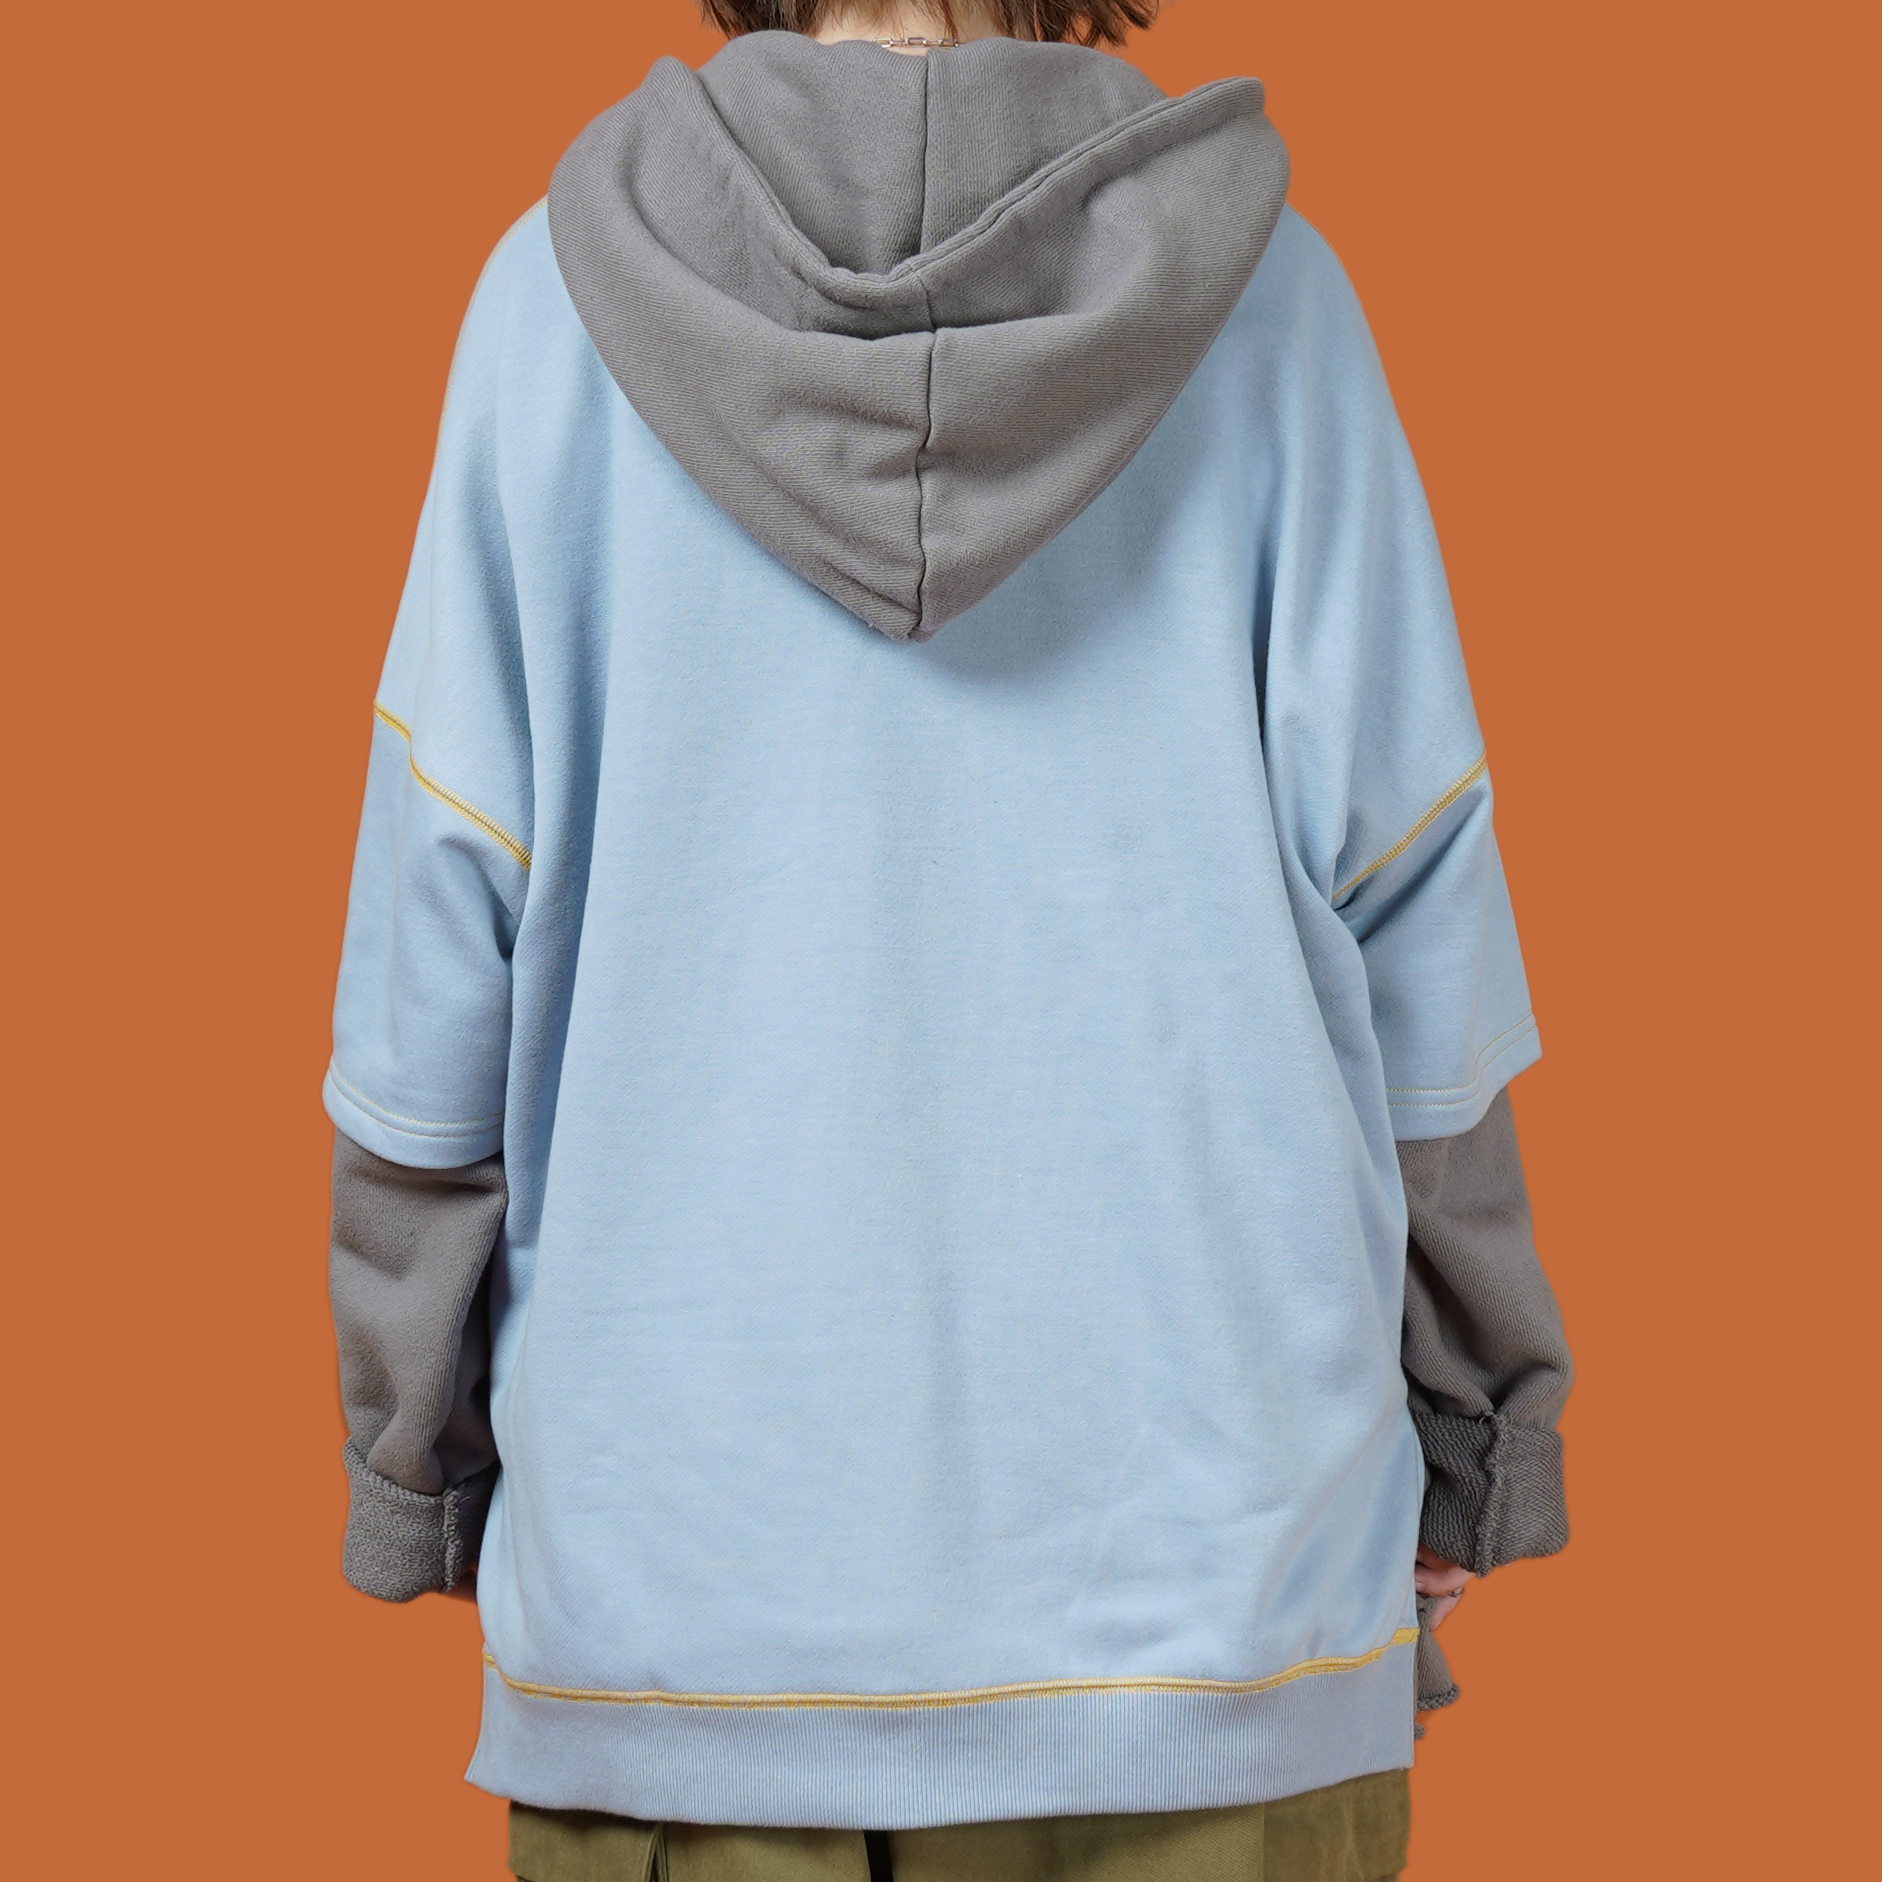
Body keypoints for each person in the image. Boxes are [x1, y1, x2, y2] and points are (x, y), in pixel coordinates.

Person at [324, 3, 1574, 1877]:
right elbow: (1417, 927)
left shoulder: (555, 307)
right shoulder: (1266, 305)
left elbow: (434, 969)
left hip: (683, 1626)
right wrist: (1474, 1417)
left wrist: (415, 1451)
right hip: (1209, 1626)